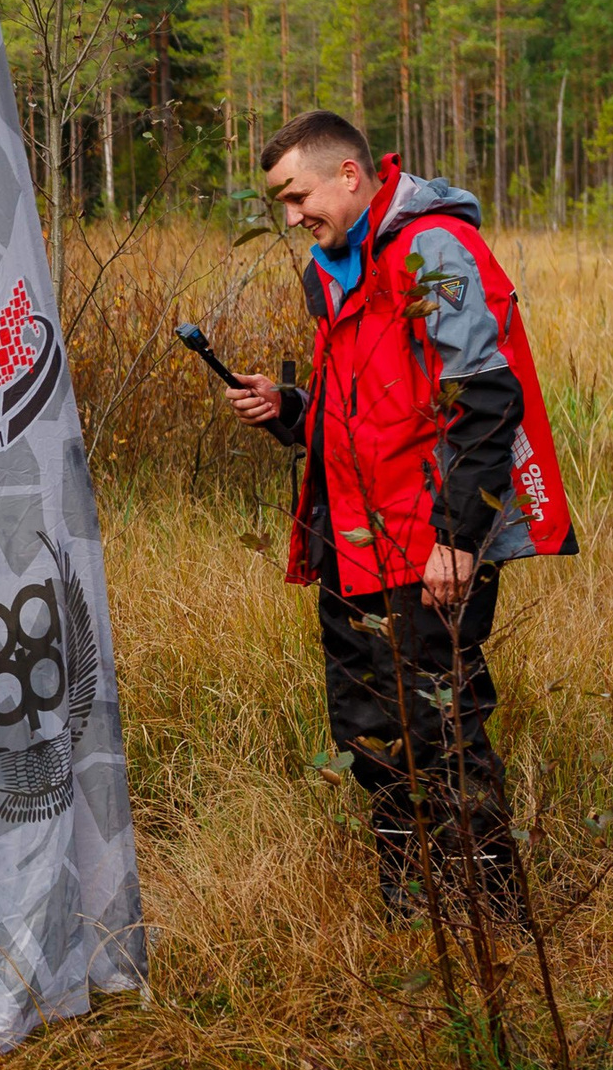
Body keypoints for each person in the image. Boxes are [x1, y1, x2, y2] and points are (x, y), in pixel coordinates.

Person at [222, 110, 575, 916]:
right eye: (280, 203)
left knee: (444, 738)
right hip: (353, 547)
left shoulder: (429, 249)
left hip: (427, 549)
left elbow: (486, 399)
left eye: (296, 195)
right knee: (371, 740)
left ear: (349, 175)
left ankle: (492, 918)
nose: (291, 217)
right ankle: (415, 910)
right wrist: (290, 407)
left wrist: (457, 539)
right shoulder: (339, 265)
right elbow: (378, 410)